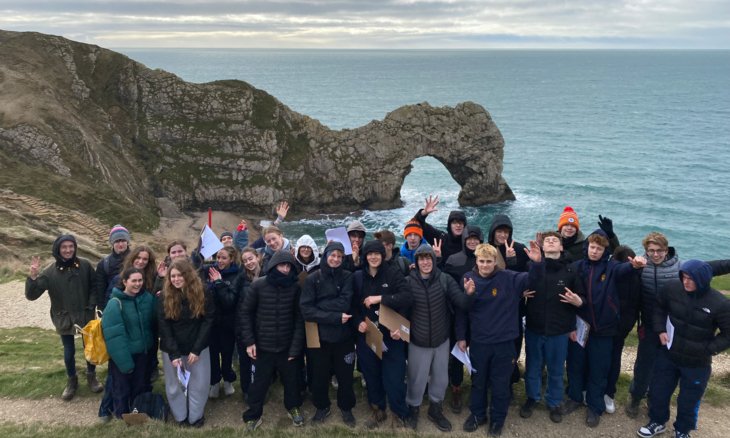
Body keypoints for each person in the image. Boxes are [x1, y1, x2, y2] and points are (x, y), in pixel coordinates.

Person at [626, 232, 730, 418]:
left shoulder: (680, 268)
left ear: (667, 250)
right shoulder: (642, 266)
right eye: (651, 251)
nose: (655, 255)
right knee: (643, 364)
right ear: (646, 251)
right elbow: (618, 262)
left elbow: (715, 266)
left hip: (674, 328)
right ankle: (636, 396)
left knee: (663, 368)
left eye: (659, 251)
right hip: (650, 325)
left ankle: (654, 398)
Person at [562, 230, 646, 428]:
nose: (594, 251)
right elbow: (566, 297)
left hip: (604, 329)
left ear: (604, 251)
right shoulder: (576, 267)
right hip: (580, 326)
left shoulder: (612, 267)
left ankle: (595, 406)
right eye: (592, 247)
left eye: (599, 249)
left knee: (599, 369)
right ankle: (574, 397)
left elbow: (627, 269)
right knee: (575, 364)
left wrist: (635, 266)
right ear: (587, 247)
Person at [637, 260, 730, 438]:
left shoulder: (720, 303)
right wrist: (660, 329)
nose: (686, 282)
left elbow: (728, 335)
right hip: (668, 355)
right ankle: (657, 421)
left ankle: (682, 430)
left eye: (691, 279)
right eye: (684, 277)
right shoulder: (672, 288)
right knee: (658, 391)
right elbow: (659, 308)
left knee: (689, 399)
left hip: (697, 363)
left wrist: (708, 349)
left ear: (702, 279)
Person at [457, 242, 542, 437]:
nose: (485, 265)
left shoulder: (509, 278)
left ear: (495, 261)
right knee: (478, 382)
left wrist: (536, 263)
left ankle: (497, 419)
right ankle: (478, 414)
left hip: (504, 343)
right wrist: (462, 337)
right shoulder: (468, 279)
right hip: (479, 342)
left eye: (489, 261)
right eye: (481, 261)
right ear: (476, 261)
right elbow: (463, 310)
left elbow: (532, 281)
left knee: (500, 384)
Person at [405, 245, 475, 432]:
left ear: (434, 260)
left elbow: (461, 303)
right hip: (417, 340)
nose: (425, 262)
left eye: (429, 258)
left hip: (441, 340)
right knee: (416, 379)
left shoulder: (445, 279)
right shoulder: (407, 282)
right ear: (416, 262)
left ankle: (435, 409)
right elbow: (400, 310)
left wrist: (469, 294)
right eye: (421, 259)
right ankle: (413, 408)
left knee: (441, 378)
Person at [519, 231, 584, 424]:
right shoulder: (533, 266)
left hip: (560, 329)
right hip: (534, 327)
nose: (551, 242)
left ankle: (554, 402)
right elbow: (525, 287)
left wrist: (578, 301)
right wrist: (536, 265)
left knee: (556, 369)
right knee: (533, 366)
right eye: (547, 241)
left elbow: (582, 298)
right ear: (542, 246)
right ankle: (532, 397)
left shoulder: (571, 270)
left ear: (561, 247)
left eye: (555, 240)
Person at [25, 234, 102, 400]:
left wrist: (91, 306)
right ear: (58, 249)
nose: (68, 250)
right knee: (69, 352)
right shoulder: (50, 272)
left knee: (90, 347)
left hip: (85, 314)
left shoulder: (85, 265)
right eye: (64, 247)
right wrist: (32, 277)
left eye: (71, 247)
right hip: (63, 317)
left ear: (75, 248)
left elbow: (95, 287)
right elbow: (32, 295)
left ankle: (92, 376)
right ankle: (72, 381)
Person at [238, 251, 305, 431]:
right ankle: (253, 414)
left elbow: (299, 319)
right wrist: (250, 342)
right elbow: (245, 314)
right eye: (282, 265)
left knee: (292, 381)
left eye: (288, 266)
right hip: (262, 346)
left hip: (286, 345)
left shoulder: (295, 287)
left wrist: (295, 348)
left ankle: (293, 407)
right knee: (258, 383)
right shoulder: (258, 285)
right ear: (273, 265)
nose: (285, 269)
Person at [352, 240, 415, 430]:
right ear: (365, 256)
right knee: (371, 375)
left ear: (382, 255)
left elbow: (407, 297)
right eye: (369, 253)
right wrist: (358, 323)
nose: (373, 256)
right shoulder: (357, 277)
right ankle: (378, 409)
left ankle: (399, 412)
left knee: (394, 378)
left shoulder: (393, 272)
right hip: (369, 334)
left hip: (391, 334)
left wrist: (380, 298)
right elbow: (352, 306)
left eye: (377, 253)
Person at [300, 242, 357, 426]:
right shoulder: (312, 278)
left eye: (340, 256)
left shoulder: (348, 277)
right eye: (333, 255)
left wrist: (321, 306)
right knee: (319, 375)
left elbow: (345, 304)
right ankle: (322, 406)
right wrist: (334, 317)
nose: (336, 259)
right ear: (325, 256)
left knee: (345, 375)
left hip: (344, 337)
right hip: (319, 336)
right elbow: (306, 310)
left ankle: (346, 407)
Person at [158, 259, 215, 427]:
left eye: (180, 275)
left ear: (188, 275)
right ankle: (180, 416)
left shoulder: (203, 292)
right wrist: (173, 354)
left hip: (197, 346)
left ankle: (195, 416)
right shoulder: (164, 296)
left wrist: (197, 349)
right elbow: (164, 326)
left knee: (199, 383)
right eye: (172, 276)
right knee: (175, 384)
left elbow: (208, 320)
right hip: (173, 347)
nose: (176, 279)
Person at [101, 267, 156, 418]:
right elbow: (114, 337)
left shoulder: (147, 299)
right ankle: (122, 416)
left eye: (140, 280)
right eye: (134, 281)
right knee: (122, 389)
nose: (137, 284)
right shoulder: (115, 303)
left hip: (142, 354)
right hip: (124, 357)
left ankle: (135, 415)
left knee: (139, 387)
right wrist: (126, 364)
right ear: (125, 281)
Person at [443, 224, 484, 412]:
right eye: (469, 239)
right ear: (464, 240)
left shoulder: (486, 259)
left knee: (479, 353)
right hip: (457, 312)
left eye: (476, 239)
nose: (473, 242)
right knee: (458, 353)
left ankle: (479, 387)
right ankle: (456, 388)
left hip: (481, 314)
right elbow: (447, 287)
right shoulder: (453, 259)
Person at [604, 245, 642, 414]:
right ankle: (605, 392)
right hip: (608, 324)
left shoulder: (635, 277)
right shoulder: (612, 272)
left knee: (611, 358)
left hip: (619, 325)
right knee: (606, 358)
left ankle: (608, 392)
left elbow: (636, 305)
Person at [206, 246, 242, 399]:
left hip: (228, 323)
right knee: (212, 355)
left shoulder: (237, 274)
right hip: (211, 323)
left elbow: (230, 301)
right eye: (218, 257)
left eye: (224, 258)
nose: (219, 261)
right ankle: (214, 381)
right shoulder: (209, 271)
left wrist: (219, 283)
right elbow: (194, 264)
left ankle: (228, 379)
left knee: (227, 354)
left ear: (232, 259)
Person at [413, 194, 467, 267]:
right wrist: (424, 213)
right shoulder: (441, 239)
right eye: (454, 223)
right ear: (449, 225)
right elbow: (418, 223)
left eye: (460, 223)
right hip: (443, 276)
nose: (458, 225)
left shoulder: (469, 242)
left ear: (464, 226)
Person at [96, 224, 131, 309]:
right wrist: (102, 310)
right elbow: (100, 290)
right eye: (117, 241)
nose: (120, 244)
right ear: (112, 243)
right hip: (112, 305)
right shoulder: (104, 264)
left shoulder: (137, 259)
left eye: (123, 240)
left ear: (127, 242)